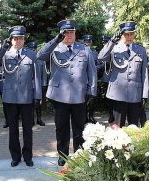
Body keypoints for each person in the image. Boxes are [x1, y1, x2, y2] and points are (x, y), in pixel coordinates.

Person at [37, 19, 97, 166]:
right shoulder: (54, 49)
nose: (69, 35)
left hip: (79, 95)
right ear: (61, 34)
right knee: (61, 128)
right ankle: (62, 155)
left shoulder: (84, 50)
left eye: (72, 32)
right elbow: (40, 56)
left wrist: (92, 91)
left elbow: (92, 72)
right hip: (59, 96)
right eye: (66, 32)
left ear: (75, 33)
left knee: (79, 128)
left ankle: (79, 154)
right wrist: (56, 40)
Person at [0, 26, 41, 167]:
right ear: (11, 39)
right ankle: (15, 157)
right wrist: (2, 48)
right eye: (15, 38)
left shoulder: (31, 54)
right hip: (10, 98)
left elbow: (36, 76)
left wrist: (37, 96)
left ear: (24, 39)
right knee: (13, 129)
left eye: (21, 38)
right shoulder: (5, 54)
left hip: (26, 98)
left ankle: (28, 156)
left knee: (27, 129)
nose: (18, 41)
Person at [98, 21, 149, 128]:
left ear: (135, 34)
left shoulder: (141, 50)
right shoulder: (114, 48)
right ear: (121, 34)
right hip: (118, 94)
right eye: (126, 34)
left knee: (134, 127)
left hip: (135, 94)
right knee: (117, 127)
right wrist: (111, 42)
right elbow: (101, 57)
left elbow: (144, 73)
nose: (129, 36)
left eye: (131, 33)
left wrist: (145, 94)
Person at [26, 41, 46, 126]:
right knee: (30, 103)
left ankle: (39, 119)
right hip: (29, 86)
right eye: (31, 49)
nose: (33, 51)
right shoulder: (26, 59)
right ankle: (31, 120)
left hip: (38, 85)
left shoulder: (41, 60)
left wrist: (44, 84)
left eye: (34, 49)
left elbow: (44, 73)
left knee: (39, 103)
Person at [82, 35, 98, 124]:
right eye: (86, 42)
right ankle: (84, 117)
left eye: (89, 42)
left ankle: (91, 116)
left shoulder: (94, 53)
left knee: (92, 99)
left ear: (91, 42)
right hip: (83, 79)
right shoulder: (81, 51)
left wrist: (94, 68)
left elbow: (99, 64)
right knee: (83, 99)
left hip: (92, 79)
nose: (87, 43)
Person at [99, 36, 114, 124]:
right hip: (105, 78)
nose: (105, 44)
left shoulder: (113, 51)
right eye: (104, 43)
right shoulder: (102, 52)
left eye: (106, 43)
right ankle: (111, 114)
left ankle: (114, 114)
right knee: (108, 99)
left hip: (113, 78)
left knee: (114, 99)